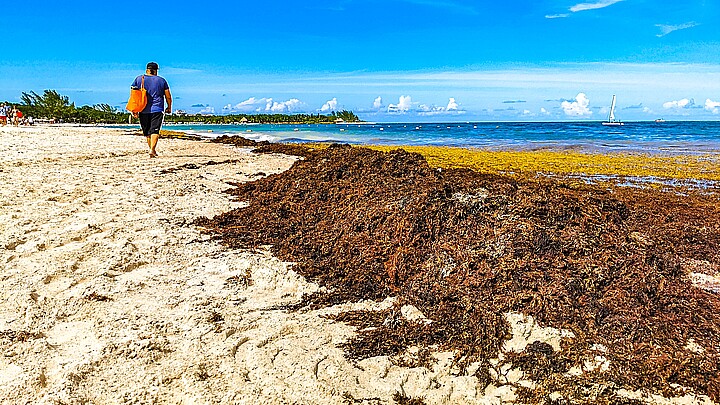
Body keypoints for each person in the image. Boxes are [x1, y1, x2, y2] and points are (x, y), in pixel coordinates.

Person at [131, 61, 172, 158]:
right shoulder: (162, 81)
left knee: (147, 132)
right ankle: (152, 149)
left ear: (147, 70)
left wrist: (134, 109)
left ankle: (151, 150)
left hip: (142, 109)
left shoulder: (139, 79)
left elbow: (134, 96)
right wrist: (169, 106)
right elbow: (168, 96)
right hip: (157, 109)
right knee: (155, 130)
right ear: (156, 70)